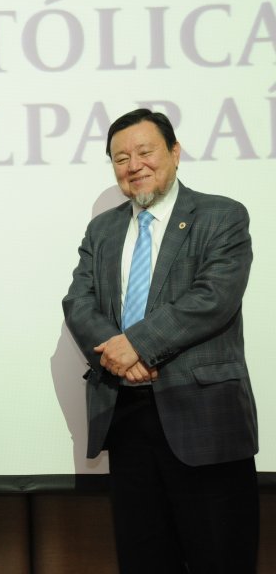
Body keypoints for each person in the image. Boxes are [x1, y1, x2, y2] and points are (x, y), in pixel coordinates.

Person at [62, 108, 259, 573]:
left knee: (221, 557)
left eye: (145, 152)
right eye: (120, 158)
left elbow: (214, 297)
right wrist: (119, 355)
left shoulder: (222, 215)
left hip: (205, 420)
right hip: (127, 418)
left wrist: (136, 344)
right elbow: (79, 301)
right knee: (143, 558)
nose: (134, 166)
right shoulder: (102, 229)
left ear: (174, 152)